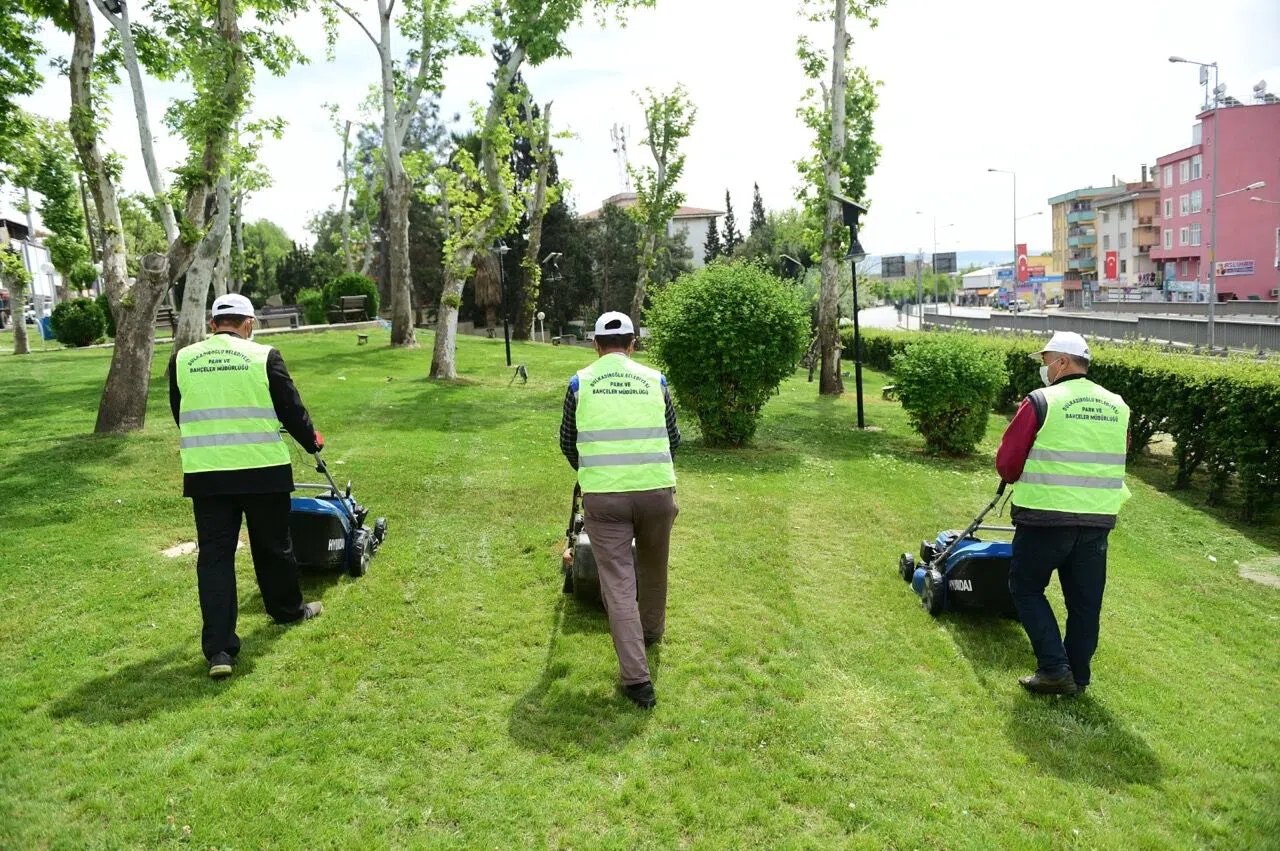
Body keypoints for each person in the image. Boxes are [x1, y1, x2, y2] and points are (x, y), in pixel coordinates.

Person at [169, 293, 325, 679]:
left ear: (212, 325)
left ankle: (220, 650)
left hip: (207, 475)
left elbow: (180, 412)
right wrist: (312, 442)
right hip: (263, 472)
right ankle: (288, 611)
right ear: (249, 323)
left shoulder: (182, 359)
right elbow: (291, 408)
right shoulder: (264, 356)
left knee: (215, 558)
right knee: (273, 546)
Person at [996, 331, 1130, 696]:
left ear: (1064, 362)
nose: (1045, 368)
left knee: (1025, 588)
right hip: (1096, 523)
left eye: (1046, 361)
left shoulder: (1040, 401)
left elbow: (1008, 464)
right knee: (1085, 603)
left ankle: (1055, 668)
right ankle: (1079, 677)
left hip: (1045, 518)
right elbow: (1120, 453)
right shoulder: (1118, 405)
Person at [559, 312, 681, 709]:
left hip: (605, 499)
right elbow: (673, 437)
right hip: (656, 492)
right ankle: (651, 632)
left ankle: (637, 682)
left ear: (595, 345)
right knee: (654, 567)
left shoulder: (581, 382)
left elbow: (568, 442)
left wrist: (596, 470)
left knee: (617, 583)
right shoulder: (655, 380)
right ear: (633, 344)